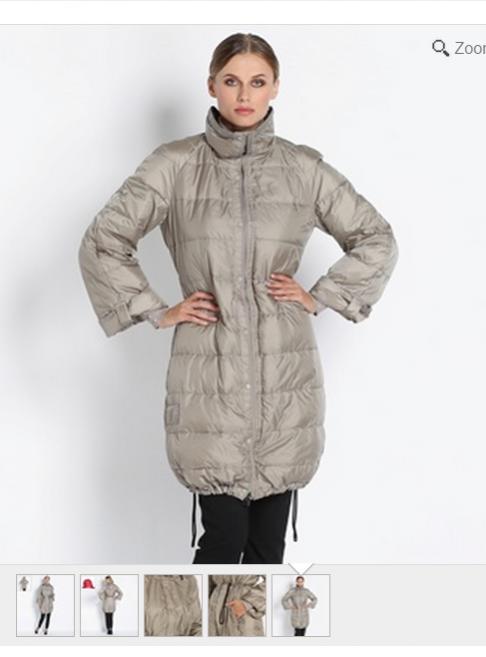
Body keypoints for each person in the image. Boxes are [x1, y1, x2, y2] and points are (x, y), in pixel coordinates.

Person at [78, 33, 399, 565]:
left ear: (275, 87)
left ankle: (253, 625)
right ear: (212, 86)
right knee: (223, 540)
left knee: (268, 549)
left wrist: (322, 296)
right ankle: (198, 623)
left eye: (257, 82)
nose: (244, 95)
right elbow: (104, 239)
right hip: (210, 375)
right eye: (231, 81)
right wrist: (154, 308)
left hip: (285, 379)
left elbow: (376, 238)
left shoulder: (302, 168)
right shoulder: (175, 164)